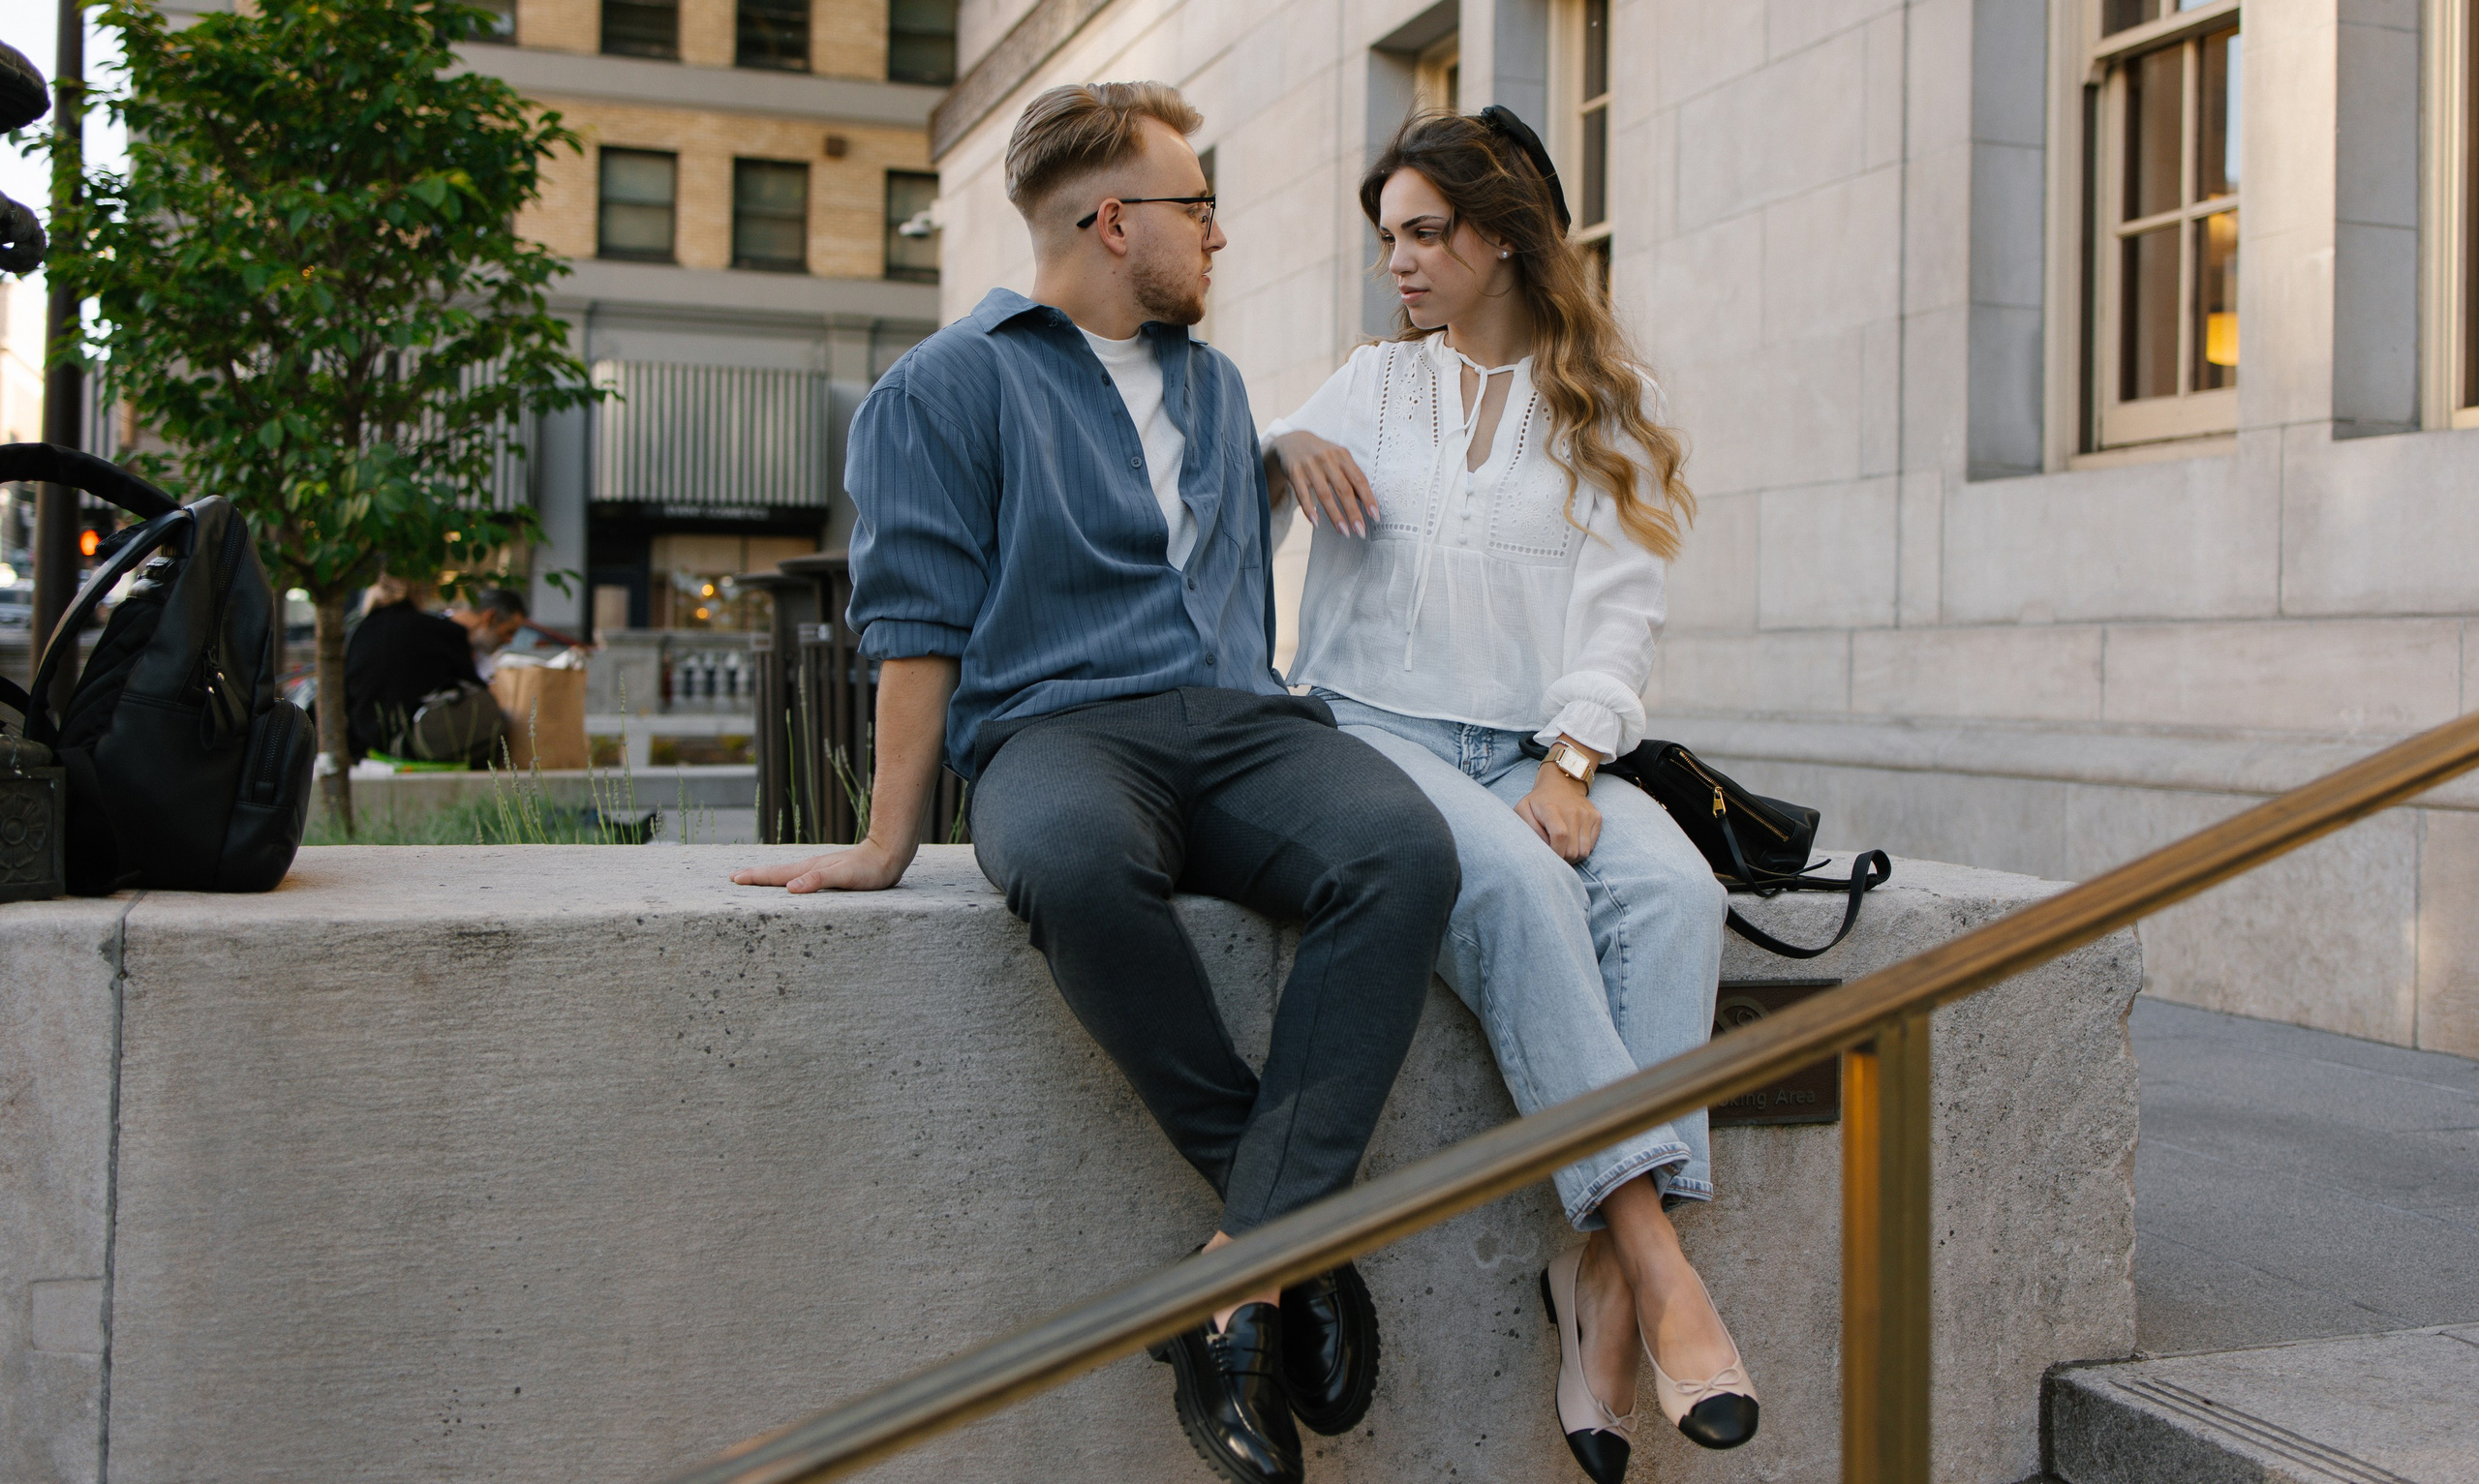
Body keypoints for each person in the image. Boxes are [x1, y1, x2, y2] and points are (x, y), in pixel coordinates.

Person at [729, 82, 1460, 1484]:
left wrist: (1281, 448)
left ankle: (1240, 1271)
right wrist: (888, 840)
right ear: (1115, 221)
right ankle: (1299, 1245)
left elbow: (1185, 513)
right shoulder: (946, 386)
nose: (1222, 236)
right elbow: (915, 622)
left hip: (1245, 726)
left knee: (1401, 849)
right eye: (1197, 208)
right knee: (1066, 860)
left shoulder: (1214, 382)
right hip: (1061, 731)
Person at [1260, 108, 1755, 1482]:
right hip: (1375, 731)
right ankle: (1653, 1264)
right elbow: (1227, 484)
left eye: (1425, 234)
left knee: (1665, 889)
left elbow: (1621, 617)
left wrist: (1574, 760)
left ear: (1502, 237)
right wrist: (1278, 451)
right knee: (1527, 889)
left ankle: (1587, 1285)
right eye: (1389, 239)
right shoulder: (1366, 384)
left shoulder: (1604, 408)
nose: (1399, 264)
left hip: (1532, 745)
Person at [344, 575, 506, 765]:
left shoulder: (356, 634)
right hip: (418, 744)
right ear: (417, 592)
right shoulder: (441, 630)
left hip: (366, 745)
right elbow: (474, 693)